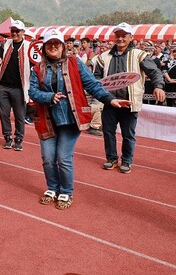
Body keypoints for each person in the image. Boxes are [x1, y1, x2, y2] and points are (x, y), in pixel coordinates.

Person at [29, 30, 130, 210]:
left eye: (57, 43)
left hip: (70, 119)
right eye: (49, 44)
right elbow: (33, 92)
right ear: (44, 48)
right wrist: (49, 96)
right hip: (47, 119)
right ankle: (52, 188)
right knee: (47, 158)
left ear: (62, 46)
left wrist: (109, 99)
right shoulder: (37, 69)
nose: (53, 47)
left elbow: (92, 84)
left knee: (63, 158)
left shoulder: (75, 63)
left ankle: (66, 191)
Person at [94, 22, 166, 174]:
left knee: (128, 134)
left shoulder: (139, 55)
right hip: (110, 102)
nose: (120, 38)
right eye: (117, 35)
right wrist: (102, 95)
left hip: (129, 103)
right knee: (108, 132)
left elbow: (155, 72)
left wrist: (158, 86)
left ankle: (126, 160)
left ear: (130, 37)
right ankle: (112, 158)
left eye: (123, 36)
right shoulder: (103, 57)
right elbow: (96, 78)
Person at [0, 20, 31, 151]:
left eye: (17, 31)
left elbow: (35, 62)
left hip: (20, 88)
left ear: (23, 32)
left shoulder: (28, 47)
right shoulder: (6, 44)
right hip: (3, 86)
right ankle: (7, 137)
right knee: (3, 113)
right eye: (12, 31)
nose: (14, 33)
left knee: (20, 115)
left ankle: (19, 139)